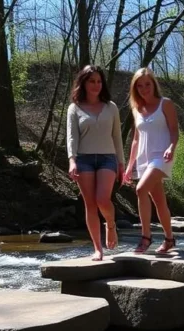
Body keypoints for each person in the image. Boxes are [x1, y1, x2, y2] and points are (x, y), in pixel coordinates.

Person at [66, 65, 125, 261]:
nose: (96, 85)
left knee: (102, 200)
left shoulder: (111, 107)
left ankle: (110, 224)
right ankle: (98, 249)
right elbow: (71, 138)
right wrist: (72, 161)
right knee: (90, 205)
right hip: (84, 160)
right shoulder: (74, 108)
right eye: (92, 81)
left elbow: (117, 137)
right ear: (83, 82)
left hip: (108, 158)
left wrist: (121, 164)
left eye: (99, 81)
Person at [124, 67, 178, 254]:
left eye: (147, 84)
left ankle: (146, 237)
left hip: (162, 155)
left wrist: (172, 147)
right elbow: (136, 139)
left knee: (141, 190)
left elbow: (174, 130)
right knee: (159, 202)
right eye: (139, 86)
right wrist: (129, 165)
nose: (144, 88)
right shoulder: (136, 108)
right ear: (135, 88)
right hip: (143, 159)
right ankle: (170, 239)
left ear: (154, 84)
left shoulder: (166, 104)